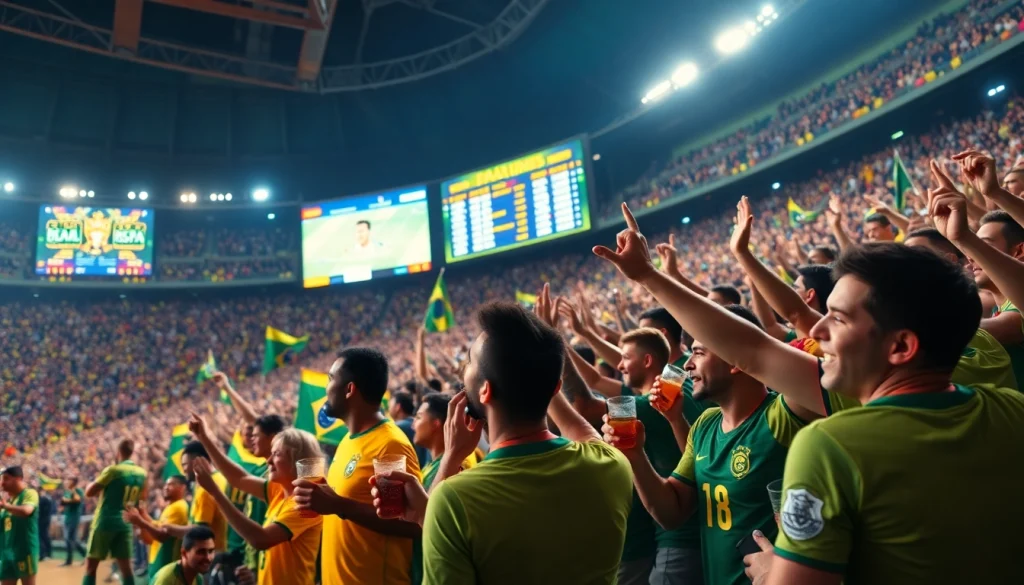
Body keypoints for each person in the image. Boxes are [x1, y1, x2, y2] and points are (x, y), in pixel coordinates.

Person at [762, 243, 1024, 585]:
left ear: (901, 346)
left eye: (838, 318)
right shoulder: (1013, 408)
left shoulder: (829, 447)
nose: (816, 331)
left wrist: (770, 573)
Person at [394, 301, 633, 584]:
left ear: (485, 390)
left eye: (469, 361)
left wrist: (450, 458)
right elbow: (579, 428)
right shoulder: (612, 464)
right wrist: (542, 375)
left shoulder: (452, 499)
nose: (464, 369)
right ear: (556, 388)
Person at [560, 320, 706, 585]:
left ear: (647, 361)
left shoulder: (653, 404)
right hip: (676, 534)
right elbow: (595, 380)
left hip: (679, 539)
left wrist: (553, 344)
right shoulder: (676, 386)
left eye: (626, 357)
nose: (619, 365)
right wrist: (584, 333)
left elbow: (583, 406)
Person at [291, 347, 421, 585]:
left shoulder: (388, 445)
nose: (326, 388)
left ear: (349, 389)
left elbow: (412, 525)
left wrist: (338, 505)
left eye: (331, 379)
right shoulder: (347, 441)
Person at [187, 415, 323, 585]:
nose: (269, 460)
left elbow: (261, 539)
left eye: (276, 454)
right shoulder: (281, 491)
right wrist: (204, 438)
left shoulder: (306, 503)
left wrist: (215, 492)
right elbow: (239, 478)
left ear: (296, 460)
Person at [83, 439, 147, 585]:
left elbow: (89, 492)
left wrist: (91, 482)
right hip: (125, 523)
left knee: (91, 568)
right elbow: (142, 501)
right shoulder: (142, 473)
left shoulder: (113, 470)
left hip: (105, 522)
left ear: (118, 452)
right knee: (126, 569)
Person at [123, 475, 189, 583]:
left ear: (182, 487)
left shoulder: (179, 507)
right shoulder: (171, 507)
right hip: (158, 562)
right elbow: (157, 527)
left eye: (171, 484)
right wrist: (142, 513)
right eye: (166, 484)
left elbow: (162, 536)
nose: (166, 487)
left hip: (166, 563)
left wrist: (140, 521)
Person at [411, 393, 477, 491]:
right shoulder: (433, 463)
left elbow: (431, 501)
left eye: (418, 417)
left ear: (435, 424)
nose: (412, 425)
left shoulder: (455, 469)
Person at [0, 466, 40, 585]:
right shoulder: (9, 501)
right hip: (7, 553)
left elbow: (27, 511)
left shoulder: (29, 493)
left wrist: (6, 506)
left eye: (6, 479)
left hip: (24, 551)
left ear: (18, 479)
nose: (2, 483)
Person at [149, 526, 216, 585]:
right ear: (184, 553)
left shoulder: (198, 578)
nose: (208, 557)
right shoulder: (166, 580)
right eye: (201, 552)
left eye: (211, 551)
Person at [389, 390, 430, 467]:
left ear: (398, 407)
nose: (389, 407)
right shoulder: (413, 423)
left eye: (390, 404)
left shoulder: (398, 427)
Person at [61, 478, 87, 566]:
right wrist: (68, 500)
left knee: (70, 539)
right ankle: (71, 559)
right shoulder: (67, 491)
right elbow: (63, 501)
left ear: (74, 482)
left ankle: (83, 556)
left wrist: (72, 493)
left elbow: (78, 499)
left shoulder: (78, 490)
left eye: (69, 481)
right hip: (67, 517)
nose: (67, 482)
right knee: (70, 539)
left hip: (74, 518)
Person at [35, 489, 52, 562]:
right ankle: (48, 554)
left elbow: (40, 510)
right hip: (46, 520)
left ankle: (43, 554)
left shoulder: (43, 499)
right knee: (45, 537)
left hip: (42, 521)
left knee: (41, 537)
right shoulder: (48, 499)